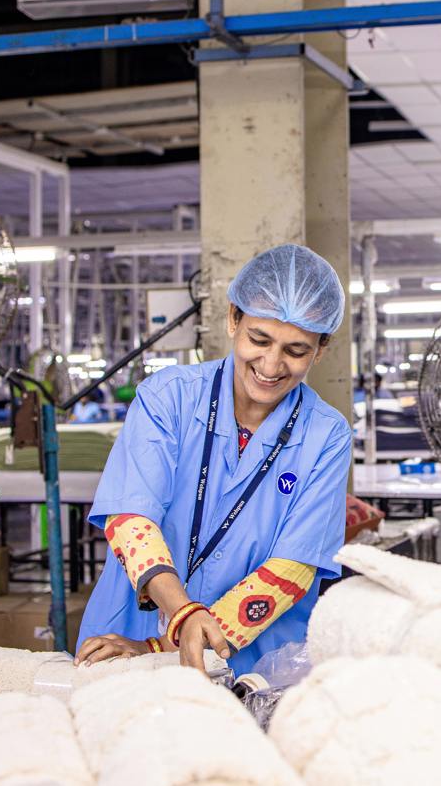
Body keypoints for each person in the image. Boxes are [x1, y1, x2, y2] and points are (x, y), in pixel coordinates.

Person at [76, 244, 351, 674]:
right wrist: (182, 614)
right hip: (125, 641)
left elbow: (294, 567)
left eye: (296, 351)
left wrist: (159, 646)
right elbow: (130, 519)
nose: (271, 365)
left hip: (251, 661)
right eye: (259, 339)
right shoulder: (167, 397)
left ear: (320, 350)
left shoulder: (327, 435)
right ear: (233, 319)